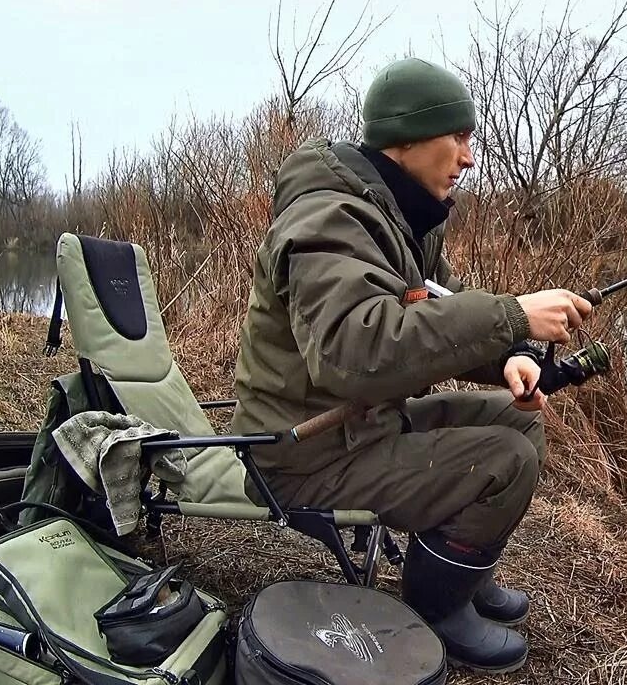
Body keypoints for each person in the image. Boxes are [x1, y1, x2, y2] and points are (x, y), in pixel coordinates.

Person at [229, 57, 593, 674]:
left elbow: (438, 317)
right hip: (305, 454)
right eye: (458, 137)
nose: (470, 157)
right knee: (504, 461)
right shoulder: (330, 221)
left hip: (361, 424)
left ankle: (462, 578)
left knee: (518, 420)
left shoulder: (401, 218)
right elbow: (355, 353)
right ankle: (437, 609)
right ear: (407, 139)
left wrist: (511, 357)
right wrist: (512, 315)